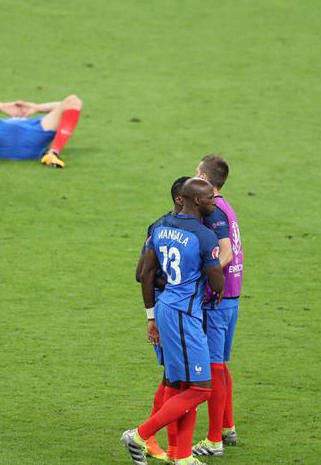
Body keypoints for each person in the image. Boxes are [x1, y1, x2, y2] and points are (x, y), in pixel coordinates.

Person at [122, 178, 224, 465]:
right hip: (184, 314)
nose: (214, 203)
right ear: (195, 202)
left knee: (179, 385)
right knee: (201, 388)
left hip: (165, 307)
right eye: (209, 200)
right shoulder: (205, 237)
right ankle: (140, 435)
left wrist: (151, 317)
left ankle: (181, 455)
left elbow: (144, 273)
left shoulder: (161, 228)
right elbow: (217, 284)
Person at [133, 175, 190, 463]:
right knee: (175, 379)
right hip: (171, 313)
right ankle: (150, 439)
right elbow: (140, 274)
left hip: (182, 312)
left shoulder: (189, 226)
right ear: (181, 199)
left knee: (174, 378)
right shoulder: (161, 227)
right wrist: (152, 316)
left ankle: (159, 441)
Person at [192, 155, 242, 456]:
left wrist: (203, 276)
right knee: (220, 365)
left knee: (211, 367)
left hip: (217, 298)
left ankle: (213, 441)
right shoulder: (227, 207)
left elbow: (224, 253)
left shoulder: (212, 211)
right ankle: (227, 426)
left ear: (204, 177)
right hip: (232, 296)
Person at [0, 92, 82, 168]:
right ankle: (53, 154)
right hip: (33, 134)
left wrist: (35, 107)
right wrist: (3, 106)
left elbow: (64, 105)